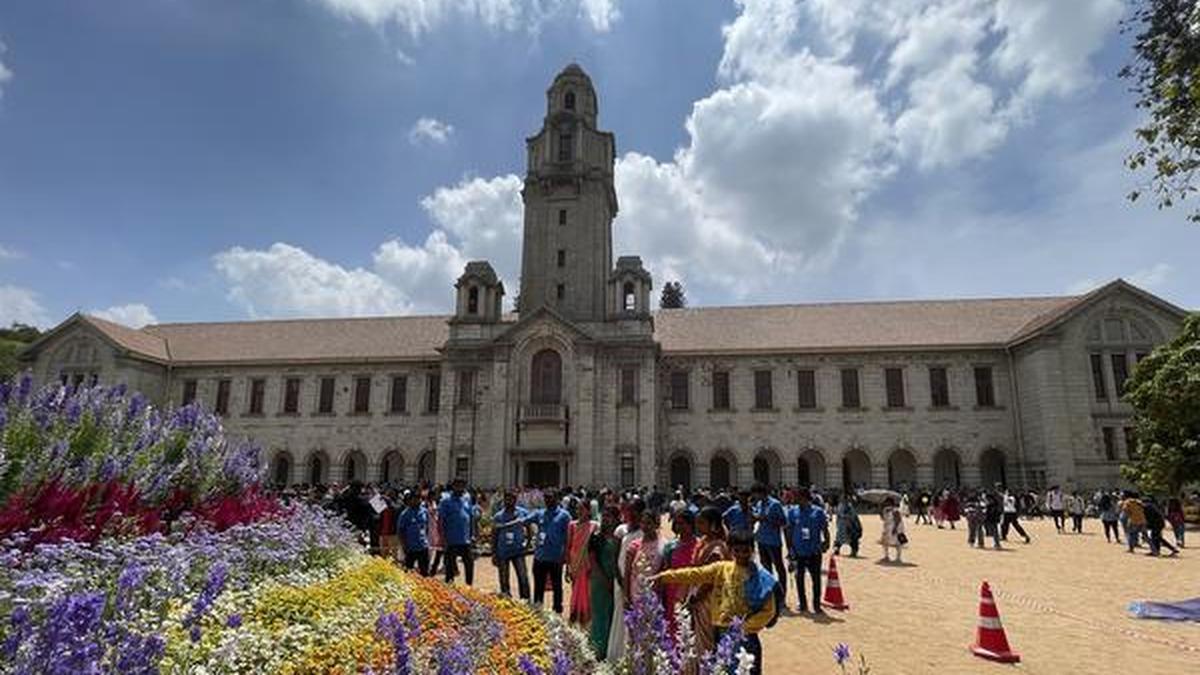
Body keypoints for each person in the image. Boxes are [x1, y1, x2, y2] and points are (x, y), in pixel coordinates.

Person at [652, 529, 778, 675]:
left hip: (746, 638)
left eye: (746, 551)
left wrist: (743, 628)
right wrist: (664, 576)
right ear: (730, 550)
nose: (742, 555)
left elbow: (769, 610)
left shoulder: (761, 577)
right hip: (720, 633)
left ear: (752, 550)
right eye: (737, 550)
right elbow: (694, 574)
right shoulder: (722, 569)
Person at [684, 507, 731, 674]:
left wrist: (696, 597)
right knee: (694, 636)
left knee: (704, 639)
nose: (698, 526)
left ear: (714, 526)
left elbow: (711, 579)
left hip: (707, 599)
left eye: (702, 523)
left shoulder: (717, 548)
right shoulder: (704, 542)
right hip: (697, 594)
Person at [606, 497, 645, 661]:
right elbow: (614, 559)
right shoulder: (621, 530)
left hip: (639, 582)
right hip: (621, 580)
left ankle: (637, 655)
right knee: (621, 615)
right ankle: (618, 655)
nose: (631, 514)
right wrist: (621, 581)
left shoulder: (646, 530)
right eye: (628, 510)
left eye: (635, 510)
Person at [784, 488, 829, 614]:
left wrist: (827, 541)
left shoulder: (818, 512)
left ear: (803, 497)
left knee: (816, 579)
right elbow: (789, 531)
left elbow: (824, 528)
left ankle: (816, 604)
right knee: (799, 578)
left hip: (814, 550)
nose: (793, 499)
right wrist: (790, 548)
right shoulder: (792, 512)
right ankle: (802, 603)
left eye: (796, 496)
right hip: (798, 551)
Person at [588, 505, 621, 660]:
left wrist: (616, 580)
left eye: (610, 516)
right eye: (605, 516)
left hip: (616, 580)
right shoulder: (596, 537)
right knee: (600, 614)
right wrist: (606, 580)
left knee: (613, 614)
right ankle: (597, 649)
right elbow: (593, 561)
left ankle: (610, 648)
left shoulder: (619, 537)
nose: (606, 519)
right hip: (599, 581)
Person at [661, 508, 699, 640]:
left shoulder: (700, 546)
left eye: (683, 523)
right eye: (677, 523)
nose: (680, 527)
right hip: (672, 593)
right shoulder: (670, 547)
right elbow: (666, 570)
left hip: (693, 594)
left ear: (692, 525)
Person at [750, 484, 788, 602]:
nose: (755, 497)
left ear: (761, 493)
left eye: (756, 494)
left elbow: (783, 522)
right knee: (766, 568)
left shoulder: (775, 504)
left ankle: (782, 594)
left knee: (779, 567)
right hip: (762, 540)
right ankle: (770, 593)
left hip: (773, 541)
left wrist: (766, 519)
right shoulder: (759, 504)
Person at [492, 490, 532, 600]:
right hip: (503, 551)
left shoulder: (522, 513)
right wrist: (494, 553)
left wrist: (528, 544)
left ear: (516, 500)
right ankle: (506, 600)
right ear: (504, 500)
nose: (509, 501)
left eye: (512, 499)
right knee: (504, 578)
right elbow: (494, 536)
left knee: (523, 577)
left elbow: (528, 528)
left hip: (518, 550)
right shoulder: (498, 516)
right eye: (507, 499)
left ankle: (526, 600)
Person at [438, 478, 476, 585]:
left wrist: (473, 534)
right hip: (451, 539)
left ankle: (469, 587)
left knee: (469, 563)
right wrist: (442, 539)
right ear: (453, 486)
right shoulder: (446, 501)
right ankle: (449, 590)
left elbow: (471, 517)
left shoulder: (466, 499)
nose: (460, 488)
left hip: (465, 539)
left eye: (462, 485)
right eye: (458, 485)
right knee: (450, 567)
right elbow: (441, 521)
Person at [566, 498, 597, 626]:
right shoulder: (572, 525)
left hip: (587, 564)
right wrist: (567, 567)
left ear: (589, 511)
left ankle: (586, 617)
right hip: (575, 563)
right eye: (577, 509)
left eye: (582, 509)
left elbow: (595, 548)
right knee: (575, 590)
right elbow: (568, 546)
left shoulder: (594, 526)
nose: (579, 512)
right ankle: (575, 614)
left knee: (586, 591)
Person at [397, 490, 431, 576]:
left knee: (425, 573)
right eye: (415, 499)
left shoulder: (424, 511)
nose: (417, 501)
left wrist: (426, 540)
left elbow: (427, 527)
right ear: (410, 500)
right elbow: (401, 531)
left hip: (423, 546)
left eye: (419, 499)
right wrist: (404, 546)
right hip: (410, 548)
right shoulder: (405, 514)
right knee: (408, 573)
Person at [879, 496, 907, 562]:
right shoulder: (885, 510)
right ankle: (886, 556)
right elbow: (883, 518)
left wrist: (895, 528)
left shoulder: (895, 510)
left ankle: (898, 557)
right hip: (888, 527)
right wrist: (880, 510)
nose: (886, 504)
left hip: (896, 527)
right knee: (885, 542)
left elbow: (898, 519)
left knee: (898, 542)